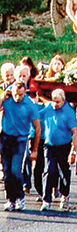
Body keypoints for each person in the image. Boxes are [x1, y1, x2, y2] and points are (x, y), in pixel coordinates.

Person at [0, 81, 41, 211]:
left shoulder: (29, 105)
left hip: (20, 140)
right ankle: (10, 199)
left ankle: (20, 197)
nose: (18, 97)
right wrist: (2, 97)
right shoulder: (7, 100)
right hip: (6, 138)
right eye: (16, 94)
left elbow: (37, 127)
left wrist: (35, 148)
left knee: (15, 170)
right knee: (7, 172)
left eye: (21, 95)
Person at [39, 89, 77, 211]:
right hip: (49, 145)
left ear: (63, 100)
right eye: (53, 101)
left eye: (58, 102)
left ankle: (64, 194)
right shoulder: (48, 108)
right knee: (48, 170)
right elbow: (35, 116)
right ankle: (46, 200)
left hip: (64, 145)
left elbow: (75, 132)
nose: (55, 104)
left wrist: (73, 151)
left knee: (64, 172)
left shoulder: (69, 112)